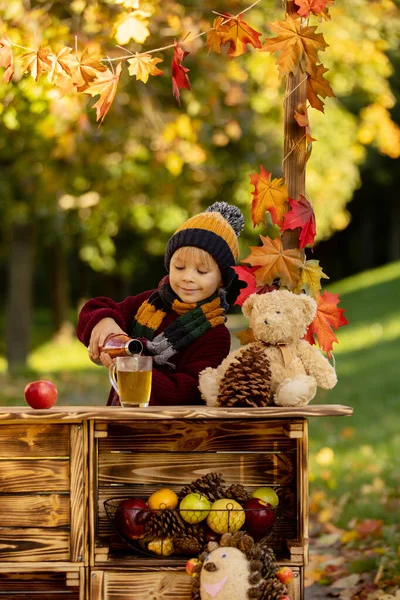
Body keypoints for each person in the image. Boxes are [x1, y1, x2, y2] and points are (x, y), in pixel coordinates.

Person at [76, 201, 244, 406]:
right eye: (179, 267)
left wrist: (133, 365)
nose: (188, 277)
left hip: (170, 430)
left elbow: (187, 391)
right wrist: (105, 322)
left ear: (221, 280)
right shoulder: (150, 303)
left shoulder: (215, 335)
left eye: (201, 272)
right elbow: (93, 308)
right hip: (120, 417)